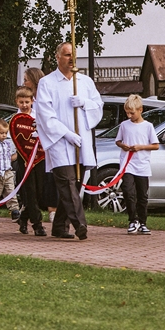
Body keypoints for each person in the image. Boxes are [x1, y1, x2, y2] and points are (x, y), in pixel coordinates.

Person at [35, 42, 103, 241]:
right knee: (67, 182)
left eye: (73, 55)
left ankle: (59, 226)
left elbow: (98, 106)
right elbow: (45, 115)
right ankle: (80, 223)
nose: (71, 59)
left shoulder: (85, 82)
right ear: (57, 57)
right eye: (66, 55)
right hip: (59, 141)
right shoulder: (47, 83)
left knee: (76, 184)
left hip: (81, 141)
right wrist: (66, 134)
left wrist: (84, 103)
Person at [115, 94, 159, 235]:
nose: (129, 116)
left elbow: (155, 145)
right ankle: (133, 220)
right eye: (127, 113)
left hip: (142, 165)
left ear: (140, 110)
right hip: (127, 164)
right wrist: (123, 145)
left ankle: (143, 222)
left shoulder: (148, 126)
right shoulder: (124, 125)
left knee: (142, 195)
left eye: (132, 113)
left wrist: (141, 147)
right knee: (128, 191)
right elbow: (118, 141)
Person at [11, 87, 47, 236]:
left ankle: (23, 218)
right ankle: (37, 225)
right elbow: (14, 140)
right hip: (24, 158)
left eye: (27, 102)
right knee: (30, 190)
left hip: (39, 156)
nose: (24, 105)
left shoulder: (38, 116)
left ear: (32, 101)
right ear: (16, 102)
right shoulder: (15, 120)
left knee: (39, 190)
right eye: (21, 102)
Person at [24, 67, 57, 221]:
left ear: (33, 80)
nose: (24, 83)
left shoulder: (45, 96)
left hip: (46, 145)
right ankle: (29, 212)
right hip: (32, 147)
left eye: (26, 80)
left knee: (49, 178)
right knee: (33, 184)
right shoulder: (28, 100)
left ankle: (52, 209)